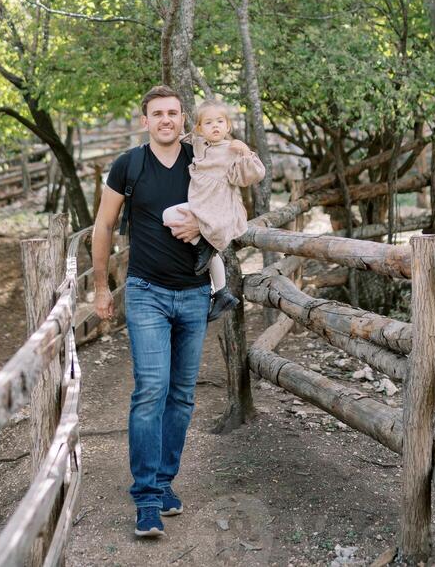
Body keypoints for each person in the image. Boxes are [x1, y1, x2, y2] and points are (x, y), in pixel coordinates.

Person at [92, 85, 209, 539]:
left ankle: (164, 483)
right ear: (145, 121)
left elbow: (232, 209)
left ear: (184, 119)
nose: (166, 120)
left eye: (173, 113)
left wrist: (205, 223)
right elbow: (103, 225)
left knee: (182, 395)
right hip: (146, 293)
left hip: (196, 293)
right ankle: (145, 499)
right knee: (151, 390)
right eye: (157, 113)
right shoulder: (129, 165)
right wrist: (102, 287)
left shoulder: (201, 162)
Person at [163, 99, 266, 322]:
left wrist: (246, 151)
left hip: (217, 207)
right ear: (200, 128)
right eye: (208, 123)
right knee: (169, 215)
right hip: (200, 204)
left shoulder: (231, 150)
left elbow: (254, 175)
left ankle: (208, 257)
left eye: (220, 121)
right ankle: (221, 292)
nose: (215, 126)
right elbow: (185, 138)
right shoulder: (199, 145)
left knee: (208, 248)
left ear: (228, 126)